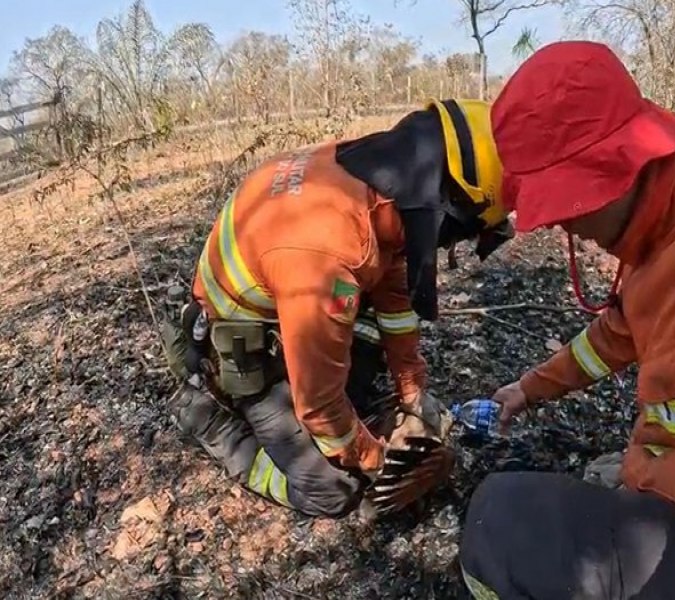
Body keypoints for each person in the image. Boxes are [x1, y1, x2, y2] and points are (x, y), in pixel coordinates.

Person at [459, 41, 675, 599]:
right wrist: (526, 390)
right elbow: (614, 338)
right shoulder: (659, 237)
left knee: (500, 522)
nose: (560, 225)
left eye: (568, 202)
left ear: (623, 166)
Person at [161, 98, 514, 519]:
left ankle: (343, 399)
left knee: (360, 361)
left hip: (288, 297)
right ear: (448, 210)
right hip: (245, 341)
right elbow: (319, 405)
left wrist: (412, 389)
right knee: (331, 491)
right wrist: (375, 462)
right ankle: (209, 420)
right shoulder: (324, 251)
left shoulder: (375, 173)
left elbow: (394, 295)